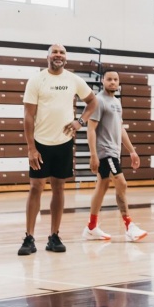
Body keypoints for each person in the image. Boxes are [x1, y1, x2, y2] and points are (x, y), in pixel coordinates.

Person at [18, 43, 97, 255]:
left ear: (66, 58)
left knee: (59, 188)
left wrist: (80, 121)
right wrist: (31, 148)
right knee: (36, 187)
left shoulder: (73, 79)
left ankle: (54, 236)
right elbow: (28, 116)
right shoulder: (37, 80)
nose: (58, 55)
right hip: (41, 143)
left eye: (62, 52)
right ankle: (29, 237)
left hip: (63, 142)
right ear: (48, 57)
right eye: (55, 52)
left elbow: (92, 102)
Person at [81, 68, 148, 243]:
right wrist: (93, 155)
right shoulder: (98, 101)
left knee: (102, 187)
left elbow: (120, 129)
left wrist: (132, 151)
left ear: (119, 83)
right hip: (105, 152)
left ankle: (91, 227)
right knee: (121, 182)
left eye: (115, 80)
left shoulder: (117, 102)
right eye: (109, 79)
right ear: (102, 81)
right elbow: (91, 129)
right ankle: (129, 226)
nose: (112, 82)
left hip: (114, 152)